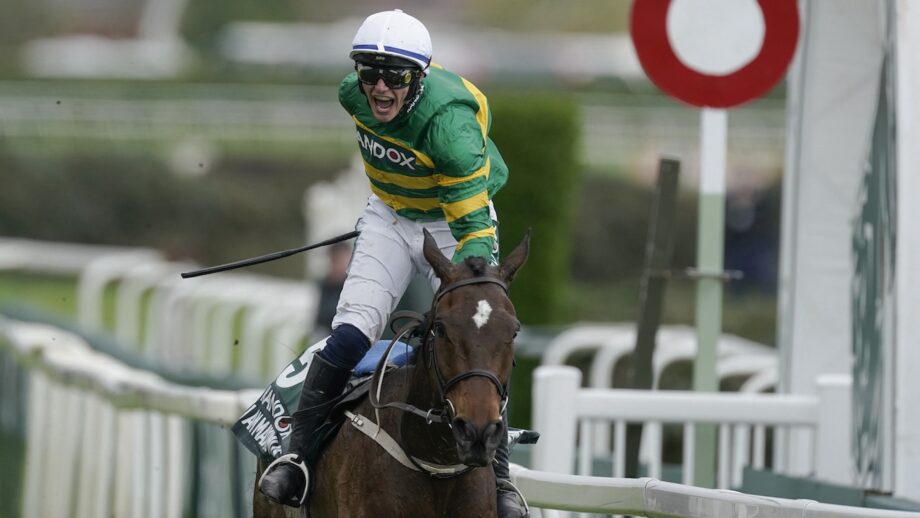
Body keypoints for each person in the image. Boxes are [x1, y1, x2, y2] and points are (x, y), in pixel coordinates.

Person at [258, 9, 529, 518]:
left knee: (478, 333)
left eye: (395, 77)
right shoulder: (350, 93)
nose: (379, 88)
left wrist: (472, 280)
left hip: (456, 223)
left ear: (419, 78)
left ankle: (501, 482)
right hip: (389, 216)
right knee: (350, 333)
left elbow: (471, 222)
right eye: (369, 73)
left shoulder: (452, 130)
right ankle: (296, 459)